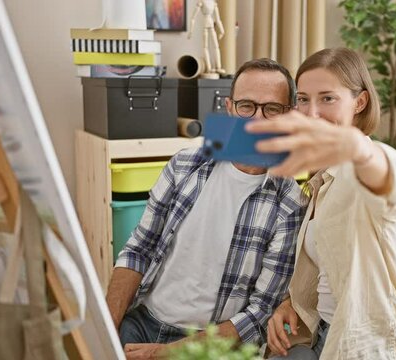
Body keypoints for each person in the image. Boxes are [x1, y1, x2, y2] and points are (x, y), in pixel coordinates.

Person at [106, 58, 307, 359]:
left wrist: (168, 353)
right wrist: (106, 323)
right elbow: (138, 249)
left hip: (211, 345)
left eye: (272, 109)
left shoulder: (289, 202)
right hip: (145, 323)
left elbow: (259, 310)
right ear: (229, 108)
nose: (257, 119)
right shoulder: (185, 164)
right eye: (246, 106)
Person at [247, 48, 396, 359]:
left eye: (327, 98)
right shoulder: (323, 178)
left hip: (368, 347)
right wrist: (291, 304)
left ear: (359, 102)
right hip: (323, 335)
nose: (312, 112)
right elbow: (330, 264)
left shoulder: (364, 171)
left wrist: (360, 149)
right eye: (303, 99)